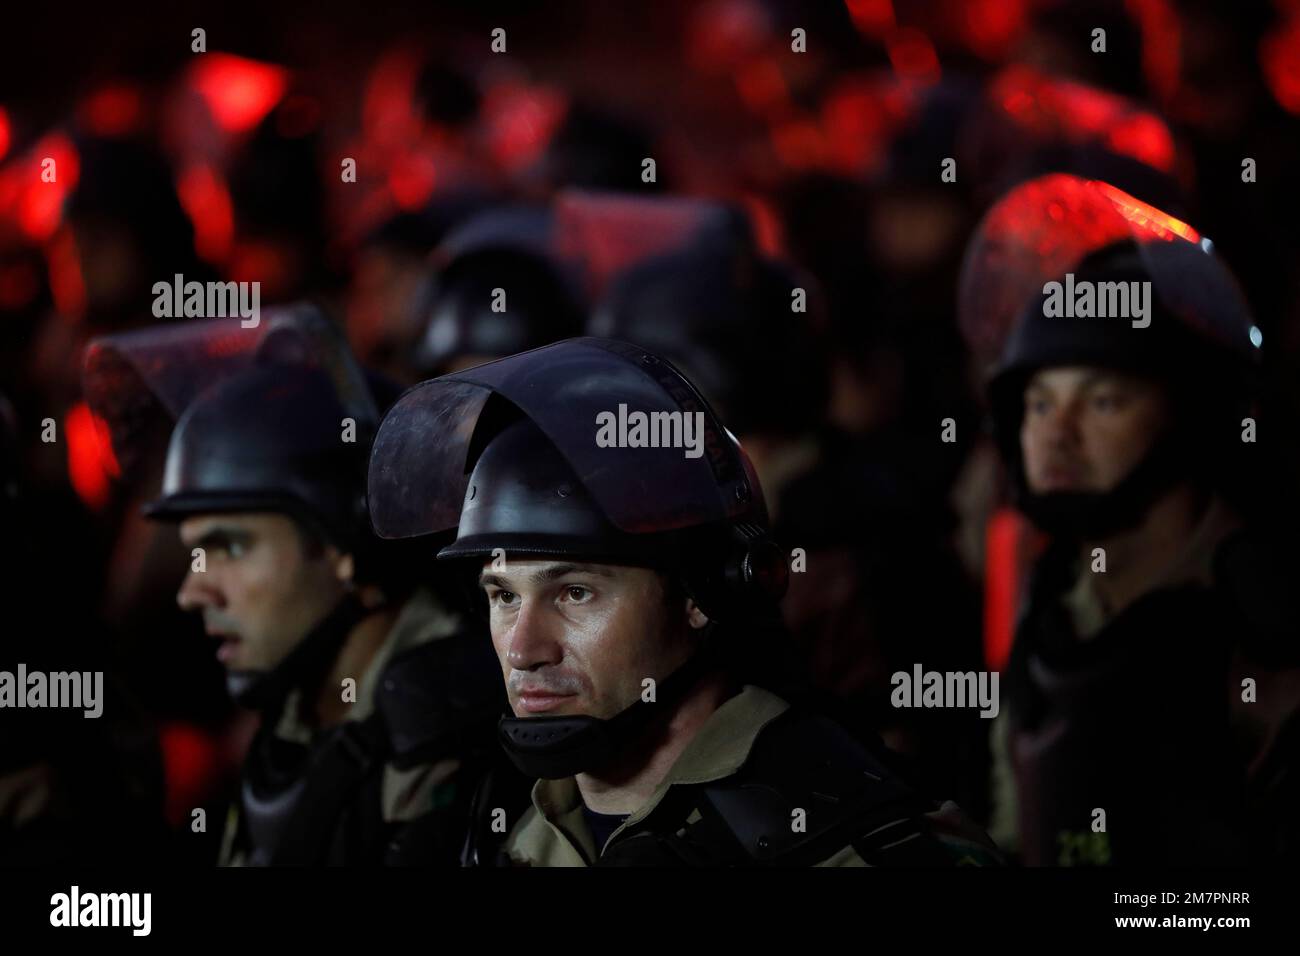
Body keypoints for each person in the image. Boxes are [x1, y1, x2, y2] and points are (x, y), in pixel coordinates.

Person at [367, 337, 1000, 866]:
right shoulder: (499, 831)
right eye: (504, 596)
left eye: (575, 593)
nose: (524, 649)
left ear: (699, 595)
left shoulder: (854, 842)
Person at [83, 308, 503, 865]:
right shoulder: (297, 724)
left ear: (347, 546)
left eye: (230, 547)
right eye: (194, 554)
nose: (192, 592)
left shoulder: (464, 748)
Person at [972, 175, 1300, 864]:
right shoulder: (1053, 600)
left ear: (1194, 417)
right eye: (1038, 404)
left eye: (1104, 403)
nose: (1056, 436)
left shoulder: (1265, 617)